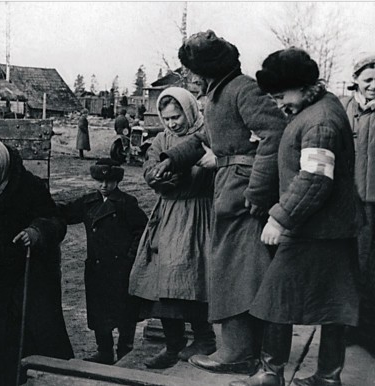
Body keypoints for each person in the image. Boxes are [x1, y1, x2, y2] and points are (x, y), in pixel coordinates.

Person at [155, 30, 287, 375]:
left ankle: (239, 352)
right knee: (231, 271)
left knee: (242, 273)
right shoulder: (217, 94)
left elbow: (275, 134)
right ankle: (238, 348)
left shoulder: (243, 89)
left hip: (242, 192)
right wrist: (172, 158)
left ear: (208, 68)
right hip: (230, 190)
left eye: (191, 70)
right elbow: (201, 139)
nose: (189, 78)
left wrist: (257, 192)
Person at [229, 48, 361, 386]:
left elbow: (315, 179)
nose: (277, 104)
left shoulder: (319, 121)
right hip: (332, 228)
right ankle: (328, 378)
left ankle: (270, 375)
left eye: (279, 96)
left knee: (276, 297)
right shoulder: (319, 107)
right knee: (335, 304)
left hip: (311, 229)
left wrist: (280, 218)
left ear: (304, 86)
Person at [0, 137, 73, 385]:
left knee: (30, 337)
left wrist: (37, 231)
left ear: (3, 165)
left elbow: (56, 221)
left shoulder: (28, 187)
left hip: (25, 276)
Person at [129, 87, 216, 369]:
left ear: (189, 111)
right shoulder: (161, 139)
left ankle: (204, 338)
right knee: (161, 278)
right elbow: (150, 166)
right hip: (167, 213)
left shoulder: (206, 134)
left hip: (197, 212)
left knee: (193, 276)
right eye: (166, 118)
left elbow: (217, 166)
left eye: (176, 117)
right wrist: (156, 178)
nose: (172, 124)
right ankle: (173, 343)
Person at [58, 159, 147, 365]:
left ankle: (125, 350)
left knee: (125, 312)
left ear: (117, 181)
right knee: (99, 312)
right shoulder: (89, 202)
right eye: (100, 181)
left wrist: (130, 257)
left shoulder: (126, 203)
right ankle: (104, 351)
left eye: (110, 181)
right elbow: (66, 212)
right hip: (97, 269)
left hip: (120, 270)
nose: (104, 186)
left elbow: (141, 230)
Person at [341, 52, 375, 351]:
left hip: (374, 200)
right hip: (349, 201)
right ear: (356, 81)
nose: (374, 86)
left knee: (371, 268)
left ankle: (369, 332)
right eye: (368, 80)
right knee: (351, 265)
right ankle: (349, 328)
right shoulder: (345, 108)